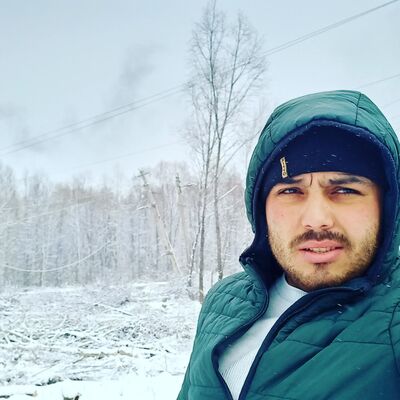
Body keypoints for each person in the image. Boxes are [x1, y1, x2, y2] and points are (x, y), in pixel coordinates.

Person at [177, 89, 400, 400]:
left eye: (345, 190)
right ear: (262, 209)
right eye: (291, 191)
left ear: (385, 206)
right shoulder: (224, 302)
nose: (317, 220)